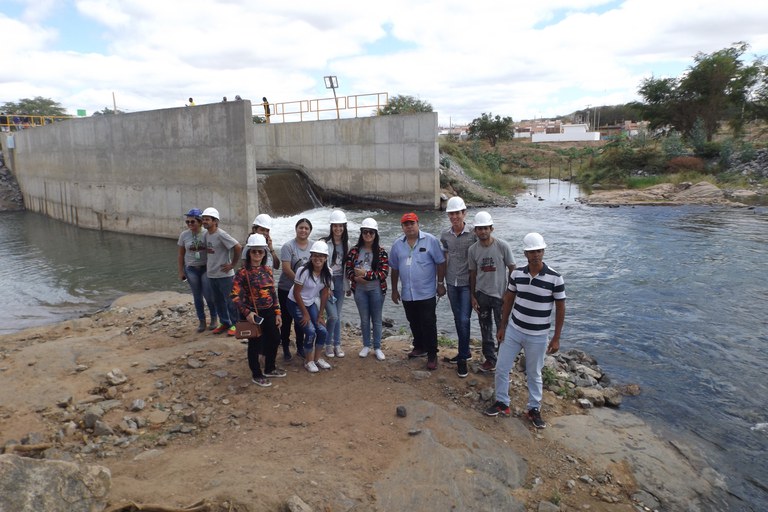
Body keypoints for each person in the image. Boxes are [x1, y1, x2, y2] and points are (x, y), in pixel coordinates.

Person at [484, 233, 566, 429]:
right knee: (502, 368)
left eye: (538, 251)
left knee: (534, 373)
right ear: (525, 254)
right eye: (531, 251)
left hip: (538, 335)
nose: (535, 255)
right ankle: (502, 402)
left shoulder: (555, 278)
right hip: (514, 330)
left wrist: (556, 338)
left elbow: (561, 308)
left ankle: (533, 409)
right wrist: (503, 327)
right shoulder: (517, 274)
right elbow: (508, 300)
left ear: (543, 252)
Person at [390, 212, 446, 370]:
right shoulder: (397, 245)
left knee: (429, 323)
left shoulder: (430, 240)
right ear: (402, 227)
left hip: (426, 292)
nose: (409, 227)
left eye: (412, 223)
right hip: (407, 293)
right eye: (406, 224)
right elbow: (394, 268)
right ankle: (419, 346)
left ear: (418, 224)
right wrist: (394, 290)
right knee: (413, 321)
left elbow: (441, 262)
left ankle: (432, 354)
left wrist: (440, 283)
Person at [231, 234, 285, 388]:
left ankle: (269, 368)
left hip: (269, 311)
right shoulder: (242, 273)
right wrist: (247, 313)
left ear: (264, 253)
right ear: (248, 253)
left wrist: (277, 312)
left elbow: (272, 293)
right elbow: (234, 295)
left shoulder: (267, 270)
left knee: (275, 338)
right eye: (254, 251)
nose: (257, 254)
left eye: (260, 251)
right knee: (255, 344)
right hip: (253, 314)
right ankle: (256, 374)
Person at [467, 212, 516, 373]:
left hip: (500, 295)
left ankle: (503, 360)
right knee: (485, 328)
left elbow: (512, 269)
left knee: (503, 327)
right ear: (475, 231)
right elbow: (473, 273)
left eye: (485, 228)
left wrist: (509, 292)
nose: (483, 231)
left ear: (491, 229)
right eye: (479, 229)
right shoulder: (473, 250)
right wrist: (473, 295)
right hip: (482, 295)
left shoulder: (503, 246)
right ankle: (490, 359)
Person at [440, 196, 477, 378]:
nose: (454, 217)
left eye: (457, 213)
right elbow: (445, 258)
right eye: (451, 214)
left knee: (464, 319)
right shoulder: (445, 235)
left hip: (467, 283)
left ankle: (462, 358)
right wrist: (440, 282)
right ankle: (465, 351)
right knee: (457, 318)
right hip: (451, 282)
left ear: (464, 213)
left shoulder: (474, 234)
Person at [346, 218, 389, 360]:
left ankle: (377, 347)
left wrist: (366, 275)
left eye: (371, 232)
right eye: (365, 232)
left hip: (376, 289)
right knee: (364, 319)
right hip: (359, 289)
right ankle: (366, 345)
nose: (368, 235)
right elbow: (348, 269)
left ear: (375, 234)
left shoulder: (381, 252)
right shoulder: (354, 251)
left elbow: (384, 273)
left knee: (376, 319)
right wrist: (355, 278)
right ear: (361, 233)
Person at [287, 241, 332, 373]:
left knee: (322, 331)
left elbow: (325, 293)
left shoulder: (328, 272)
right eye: (315, 255)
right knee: (311, 331)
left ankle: (317, 359)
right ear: (311, 256)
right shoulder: (303, 271)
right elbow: (296, 293)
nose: (318, 258)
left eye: (321, 256)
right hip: (295, 302)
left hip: (310, 302)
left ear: (326, 258)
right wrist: (305, 314)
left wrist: (320, 315)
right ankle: (308, 361)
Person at [201, 207, 242, 336]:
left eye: (207, 219)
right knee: (217, 301)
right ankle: (224, 322)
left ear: (215, 221)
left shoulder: (221, 234)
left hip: (225, 275)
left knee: (230, 301)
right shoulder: (206, 235)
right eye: (203, 219)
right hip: (212, 274)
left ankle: (236, 324)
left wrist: (232, 264)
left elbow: (238, 247)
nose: (204, 221)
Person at [277, 218, 313, 360]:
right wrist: (300, 283)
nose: (303, 230)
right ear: (296, 229)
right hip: (286, 288)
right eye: (301, 227)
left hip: (304, 291)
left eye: (306, 228)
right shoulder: (288, 246)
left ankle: (300, 347)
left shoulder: (313, 246)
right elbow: (286, 269)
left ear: (310, 231)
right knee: (286, 320)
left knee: (301, 319)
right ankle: (285, 347)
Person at [177, 208, 217, 332]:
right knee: (197, 296)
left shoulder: (207, 234)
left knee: (208, 294)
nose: (189, 224)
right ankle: (202, 321)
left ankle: (214, 318)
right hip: (191, 269)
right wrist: (181, 271)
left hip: (205, 268)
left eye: (192, 221)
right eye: (187, 222)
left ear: (200, 222)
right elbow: (181, 254)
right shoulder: (184, 235)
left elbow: (215, 250)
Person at [322, 210, 349, 358]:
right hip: (328, 283)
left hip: (340, 282)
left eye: (340, 226)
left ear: (344, 227)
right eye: (335, 226)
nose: (338, 229)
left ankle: (337, 345)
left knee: (337, 315)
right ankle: (328, 344)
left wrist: (348, 285)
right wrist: (327, 286)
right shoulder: (324, 243)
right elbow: (320, 266)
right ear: (331, 227)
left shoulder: (347, 244)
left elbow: (347, 267)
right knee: (332, 315)